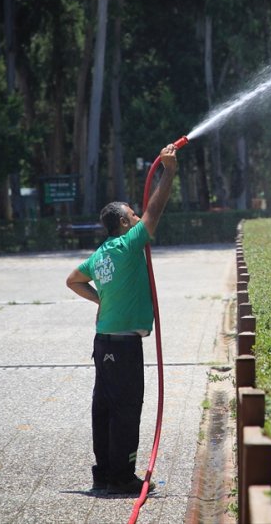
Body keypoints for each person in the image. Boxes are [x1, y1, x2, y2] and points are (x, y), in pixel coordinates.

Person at [65, 143, 178, 495]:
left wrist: (102, 299)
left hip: (103, 342)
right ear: (125, 223)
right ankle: (123, 477)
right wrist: (169, 171)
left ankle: (105, 473)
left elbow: (73, 280)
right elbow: (155, 210)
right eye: (133, 215)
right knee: (127, 408)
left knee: (104, 406)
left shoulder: (100, 255)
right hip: (125, 346)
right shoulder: (130, 244)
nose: (138, 216)